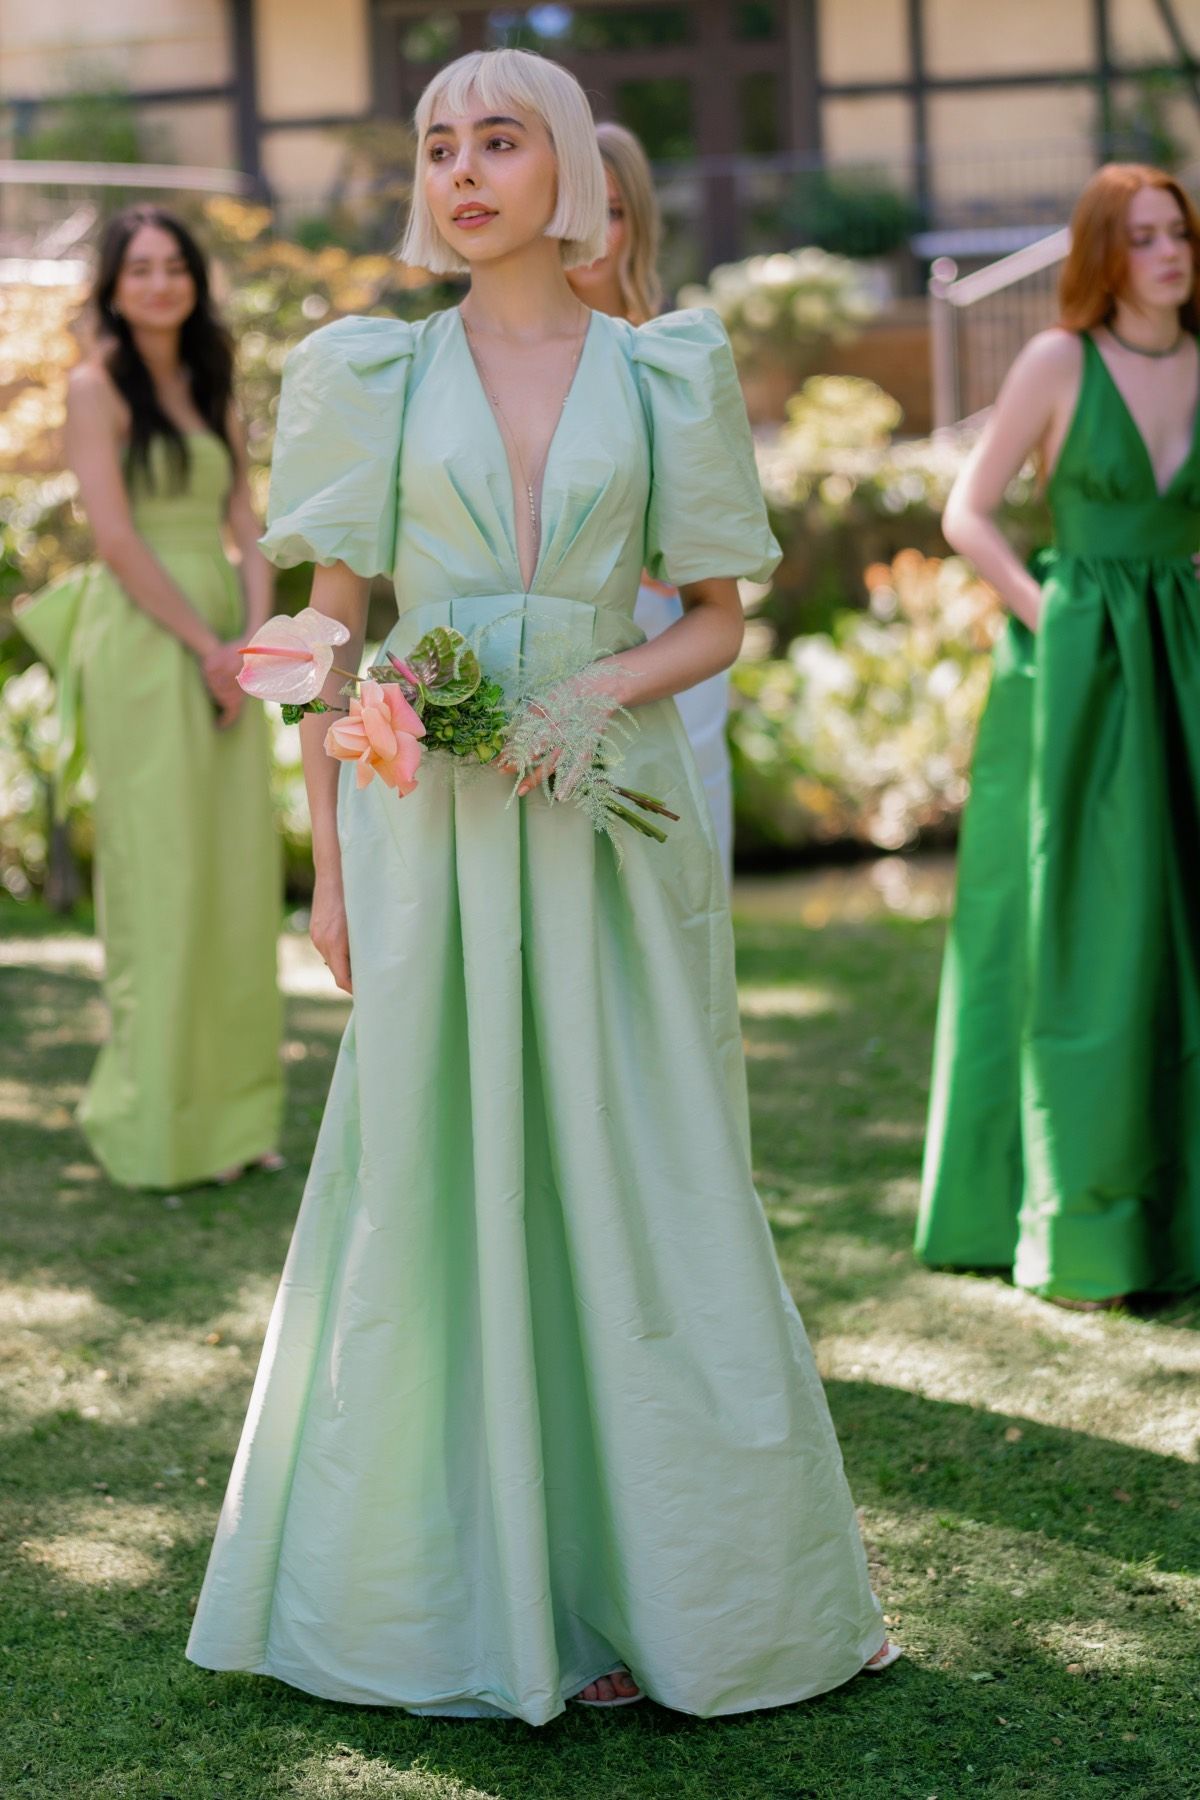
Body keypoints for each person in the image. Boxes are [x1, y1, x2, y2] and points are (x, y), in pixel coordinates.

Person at [186, 49, 894, 1722]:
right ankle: (437, 1592)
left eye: (498, 140)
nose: (461, 171)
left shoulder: (662, 373)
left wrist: (590, 697)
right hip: (427, 822)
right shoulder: (370, 370)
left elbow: (716, 617)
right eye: (438, 144)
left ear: (566, 164)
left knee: (642, 1160)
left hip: (606, 813)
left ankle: (683, 1590)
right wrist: (313, 784)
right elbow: (335, 619)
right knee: (433, 1168)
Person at [916, 163, 1200, 1309]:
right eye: (1143, 237)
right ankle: (1082, 1213)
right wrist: (1056, 619)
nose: (1169, 253)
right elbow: (968, 512)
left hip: (1184, 658)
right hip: (1079, 665)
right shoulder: (1058, 361)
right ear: (1102, 255)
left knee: (1183, 913)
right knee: (1081, 920)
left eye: (1178, 232)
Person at [15, 207, 284, 1190]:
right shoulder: (96, 388)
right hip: (146, 636)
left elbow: (246, 520)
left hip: (228, 644)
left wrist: (254, 640)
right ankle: (160, 1125)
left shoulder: (210, 380)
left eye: (176, 267)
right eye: (141, 270)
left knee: (235, 876)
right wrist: (207, 645)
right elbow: (117, 538)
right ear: (114, 287)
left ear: (195, 282)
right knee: (162, 880)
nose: (161, 284)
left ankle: (237, 1119)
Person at [568, 120, 737, 878]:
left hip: (667, 624)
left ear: (637, 221)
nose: (592, 236)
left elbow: (718, 518)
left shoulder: (672, 354)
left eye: (611, 212)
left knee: (680, 839)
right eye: (576, 211)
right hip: (561, 627)